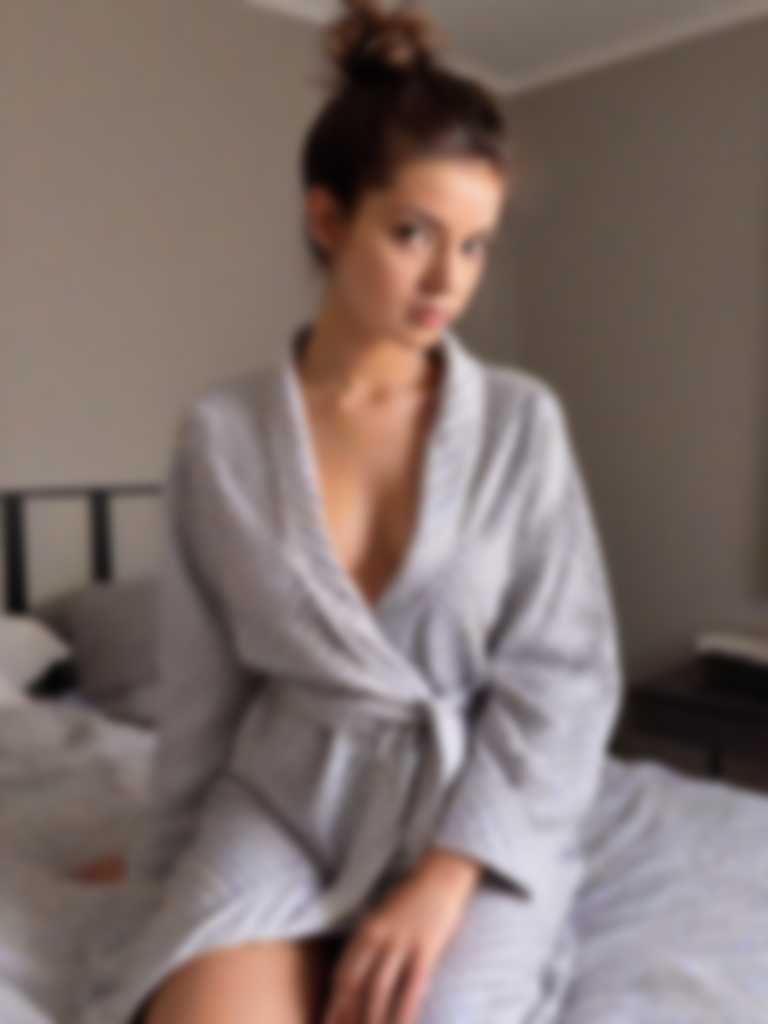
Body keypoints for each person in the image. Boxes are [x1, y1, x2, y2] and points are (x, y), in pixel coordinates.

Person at [78, 1, 624, 1021]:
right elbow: (202, 694)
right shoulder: (224, 437)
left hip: (465, 817)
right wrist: (167, 873)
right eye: (414, 233)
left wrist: (445, 878)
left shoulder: (519, 424)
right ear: (328, 219)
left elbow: (565, 680)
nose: (448, 280)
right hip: (284, 802)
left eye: (475, 246)